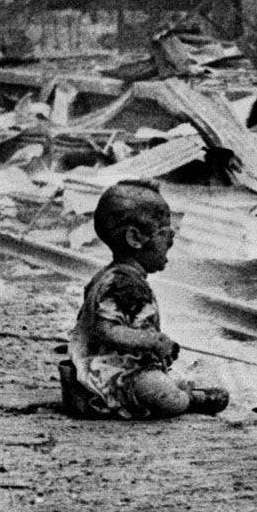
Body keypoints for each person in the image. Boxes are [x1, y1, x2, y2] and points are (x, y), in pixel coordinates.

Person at [60, 179, 229, 419]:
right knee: (163, 395)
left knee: (162, 379)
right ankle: (192, 400)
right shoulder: (123, 284)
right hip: (107, 372)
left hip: (115, 364)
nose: (172, 241)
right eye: (166, 234)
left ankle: (178, 391)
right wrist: (152, 342)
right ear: (135, 238)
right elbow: (106, 329)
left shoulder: (114, 276)